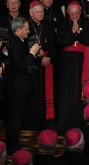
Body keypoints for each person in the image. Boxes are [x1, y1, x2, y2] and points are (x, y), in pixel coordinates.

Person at [5, 17, 40, 155]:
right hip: (16, 89)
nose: (28, 31)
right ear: (18, 30)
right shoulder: (14, 42)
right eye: (26, 28)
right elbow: (19, 65)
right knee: (15, 119)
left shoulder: (20, 41)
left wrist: (35, 55)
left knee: (15, 118)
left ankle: (12, 144)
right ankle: (13, 147)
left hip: (19, 87)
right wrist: (32, 52)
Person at [57, 1, 89, 127]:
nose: (74, 16)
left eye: (76, 13)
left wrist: (79, 32)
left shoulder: (87, 23)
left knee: (81, 90)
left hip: (83, 61)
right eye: (72, 13)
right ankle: (65, 120)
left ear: (80, 12)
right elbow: (61, 42)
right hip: (67, 63)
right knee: (67, 91)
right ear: (67, 12)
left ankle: (81, 119)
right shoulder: (62, 24)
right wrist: (73, 33)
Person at [24, 1, 56, 129]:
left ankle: (46, 120)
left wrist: (48, 58)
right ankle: (33, 122)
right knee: (34, 93)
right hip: (32, 66)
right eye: (38, 12)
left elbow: (54, 46)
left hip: (47, 64)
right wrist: (39, 58)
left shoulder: (47, 25)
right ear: (31, 13)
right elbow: (23, 47)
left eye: (42, 11)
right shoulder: (26, 26)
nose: (41, 14)